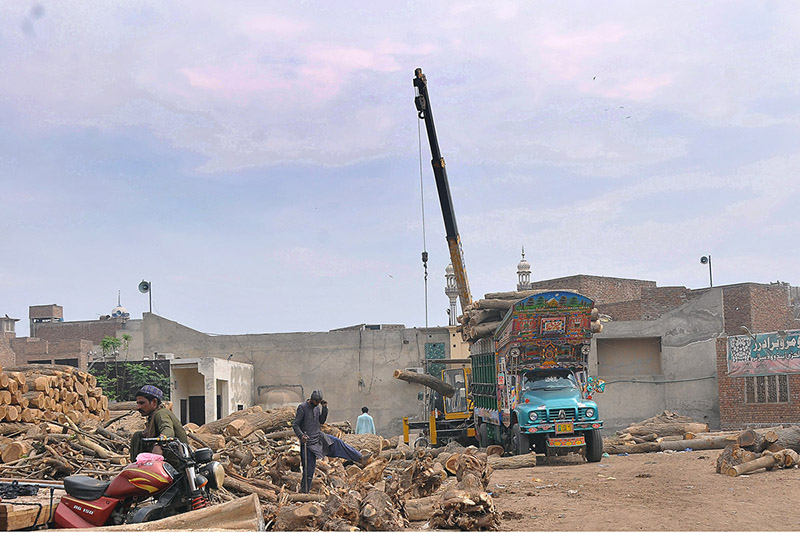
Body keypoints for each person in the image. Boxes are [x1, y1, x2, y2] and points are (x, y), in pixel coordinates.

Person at [293, 390, 363, 493]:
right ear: (312, 400)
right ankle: (304, 492)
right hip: (308, 442)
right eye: (317, 402)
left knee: (338, 443)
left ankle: (359, 457)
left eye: (319, 403)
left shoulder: (317, 408)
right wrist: (301, 435)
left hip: (319, 436)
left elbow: (321, 421)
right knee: (309, 469)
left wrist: (324, 409)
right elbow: (295, 425)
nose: (317, 404)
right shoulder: (302, 408)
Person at [129, 385, 188, 468]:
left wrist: (158, 444)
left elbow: (167, 430)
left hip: (177, 461)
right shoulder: (154, 415)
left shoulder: (161, 414)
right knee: (138, 435)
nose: (138, 407)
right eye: (138, 403)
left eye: (142, 403)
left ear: (154, 402)